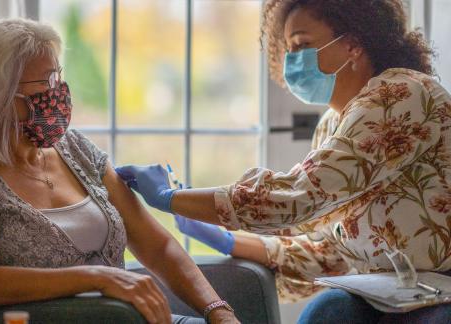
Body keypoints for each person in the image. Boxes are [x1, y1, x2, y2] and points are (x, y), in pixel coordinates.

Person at [115, 0, 451, 323]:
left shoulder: (403, 94)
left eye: (302, 45)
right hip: (394, 292)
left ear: (353, 44)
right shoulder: (331, 125)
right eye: (287, 49)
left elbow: (302, 195)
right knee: (327, 312)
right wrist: (230, 241)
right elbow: (331, 252)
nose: (292, 60)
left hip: (440, 287)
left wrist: (173, 199)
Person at [0, 18, 239, 324]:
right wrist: (93, 277)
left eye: (58, 77)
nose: (58, 92)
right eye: (46, 82)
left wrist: (217, 310)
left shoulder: (76, 149)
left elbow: (158, 246)